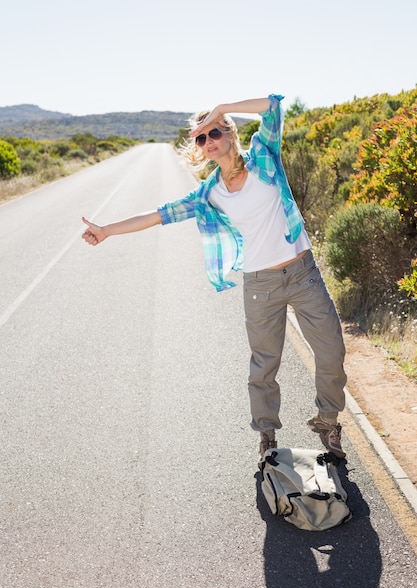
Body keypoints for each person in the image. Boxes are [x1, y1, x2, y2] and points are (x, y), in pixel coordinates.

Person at [82, 94, 347, 462]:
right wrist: (107, 230)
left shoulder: (264, 158)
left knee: (331, 351)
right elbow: (160, 214)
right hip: (260, 286)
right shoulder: (209, 194)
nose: (208, 142)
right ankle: (267, 435)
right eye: (201, 138)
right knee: (264, 366)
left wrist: (220, 107)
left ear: (230, 133)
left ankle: (328, 421)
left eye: (215, 133)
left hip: (302, 274)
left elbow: (272, 106)